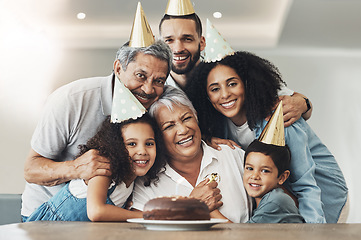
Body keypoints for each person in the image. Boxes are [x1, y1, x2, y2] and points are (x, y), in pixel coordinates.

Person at [21, 3, 173, 221]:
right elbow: (30, 169)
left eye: (158, 81)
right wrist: (75, 168)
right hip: (47, 218)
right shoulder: (72, 100)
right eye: (140, 75)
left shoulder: (154, 107)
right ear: (119, 68)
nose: (149, 89)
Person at [185, 50, 348, 223]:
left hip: (325, 196)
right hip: (282, 197)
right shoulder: (219, 126)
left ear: (247, 84)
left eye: (232, 84)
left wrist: (314, 232)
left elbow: (306, 185)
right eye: (215, 89)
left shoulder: (280, 117)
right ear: (207, 96)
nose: (225, 94)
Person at [159, 0, 312, 128]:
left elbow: (301, 104)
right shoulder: (156, 86)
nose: (177, 49)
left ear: (202, 43)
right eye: (169, 40)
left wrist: (302, 103)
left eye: (187, 39)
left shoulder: (224, 71)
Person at [132, 86, 251, 223]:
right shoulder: (147, 181)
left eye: (187, 118)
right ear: (156, 137)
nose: (183, 130)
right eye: (169, 126)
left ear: (196, 118)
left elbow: (273, 206)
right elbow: (139, 233)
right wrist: (190, 208)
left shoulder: (232, 155)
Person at [26, 114, 166, 222]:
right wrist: (145, 216)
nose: (142, 151)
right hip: (48, 230)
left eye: (149, 144)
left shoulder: (132, 180)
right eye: (131, 144)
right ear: (116, 146)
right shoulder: (103, 169)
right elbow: (96, 212)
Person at [243, 103, 304, 223]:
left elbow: (242, 234)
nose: (254, 176)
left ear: (282, 177)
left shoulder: (276, 200)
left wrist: (210, 209)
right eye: (250, 168)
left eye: (265, 171)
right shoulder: (265, 199)